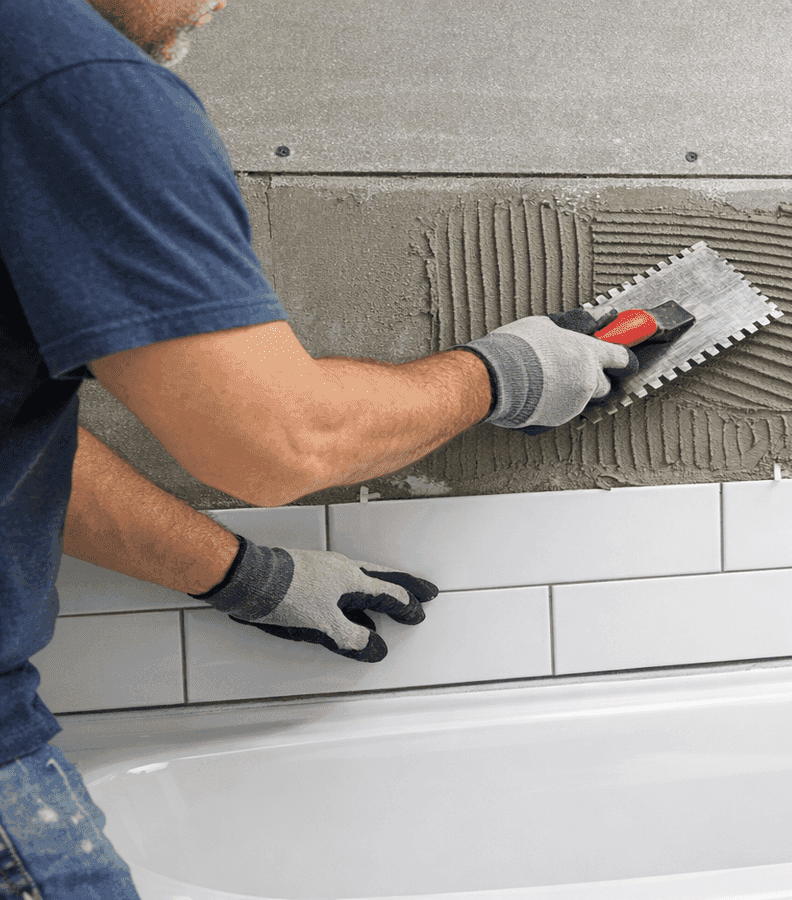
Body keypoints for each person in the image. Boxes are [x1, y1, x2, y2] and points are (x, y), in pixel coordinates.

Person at [1, 0, 635, 893]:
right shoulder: (66, 77)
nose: (219, 4)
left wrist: (240, 573)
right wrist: (495, 377)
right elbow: (281, 441)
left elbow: (23, 453)